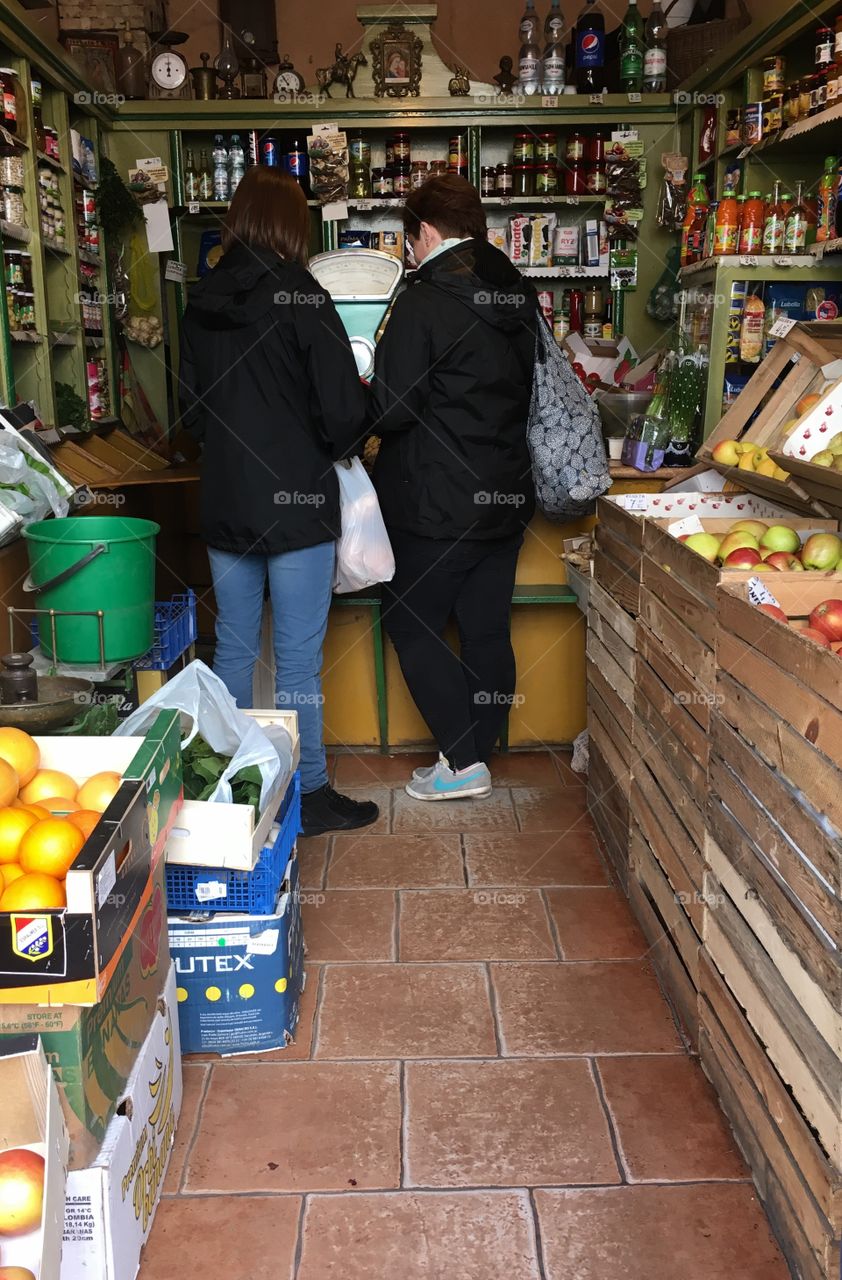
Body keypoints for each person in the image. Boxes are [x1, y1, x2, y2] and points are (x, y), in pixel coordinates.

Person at [178, 165, 378, 837]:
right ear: (292, 227)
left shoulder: (200, 302)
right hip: (296, 511)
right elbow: (346, 415)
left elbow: (192, 415)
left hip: (226, 502)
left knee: (232, 652)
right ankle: (311, 794)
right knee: (296, 663)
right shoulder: (303, 296)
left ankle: (235, 792)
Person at [369, 174, 538, 801]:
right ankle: (474, 752)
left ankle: (463, 764)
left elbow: (393, 410)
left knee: (411, 624)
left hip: (435, 502)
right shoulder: (516, 294)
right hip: (505, 494)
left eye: (409, 239)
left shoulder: (422, 299)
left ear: (427, 233)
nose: (408, 252)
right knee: (487, 629)